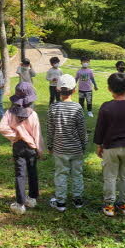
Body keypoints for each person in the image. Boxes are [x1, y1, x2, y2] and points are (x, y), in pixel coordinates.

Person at [94, 73, 125, 217]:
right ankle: (124, 204)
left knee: (110, 176)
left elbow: (100, 128)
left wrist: (99, 145)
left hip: (110, 147)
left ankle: (109, 205)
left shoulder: (106, 107)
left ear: (109, 88)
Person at [0, 82, 44, 215]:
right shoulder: (33, 115)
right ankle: (32, 198)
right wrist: (40, 150)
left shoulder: (9, 113)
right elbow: (37, 135)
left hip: (18, 146)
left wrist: (15, 135)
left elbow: (1, 127)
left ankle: (20, 203)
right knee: (32, 172)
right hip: (31, 148)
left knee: (20, 174)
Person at [47, 74, 87, 212]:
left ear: (58, 90)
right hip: (76, 149)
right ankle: (78, 200)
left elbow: (50, 129)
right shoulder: (77, 108)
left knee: (61, 174)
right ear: (74, 90)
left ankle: (61, 202)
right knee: (77, 174)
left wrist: (50, 145)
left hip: (59, 149)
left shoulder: (53, 107)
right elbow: (82, 130)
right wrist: (84, 145)